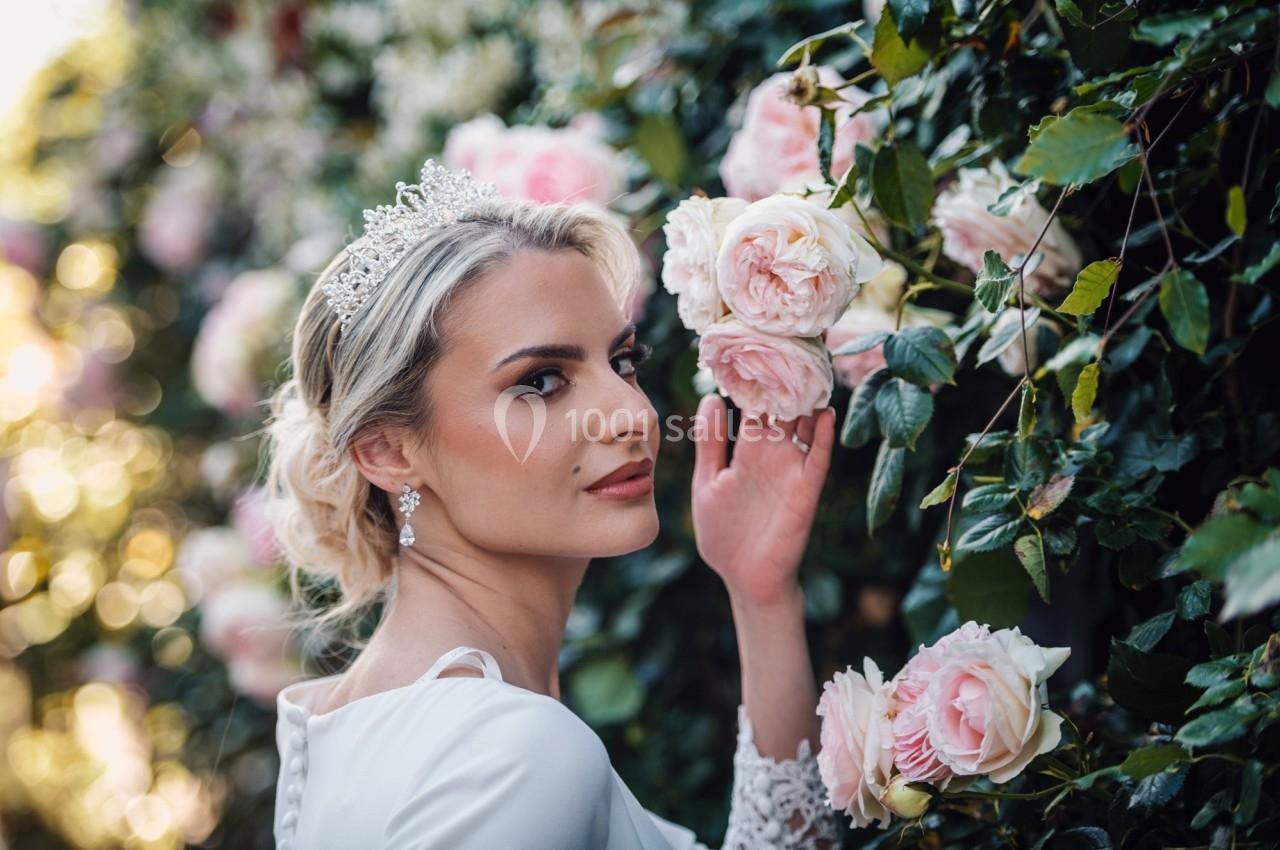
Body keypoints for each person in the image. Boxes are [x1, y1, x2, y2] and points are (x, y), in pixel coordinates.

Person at [264, 161, 840, 849]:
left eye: (622, 362)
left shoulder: (341, 720)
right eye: (541, 381)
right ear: (387, 451)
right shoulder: (516, 754)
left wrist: (761, 597)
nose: (632, 414)